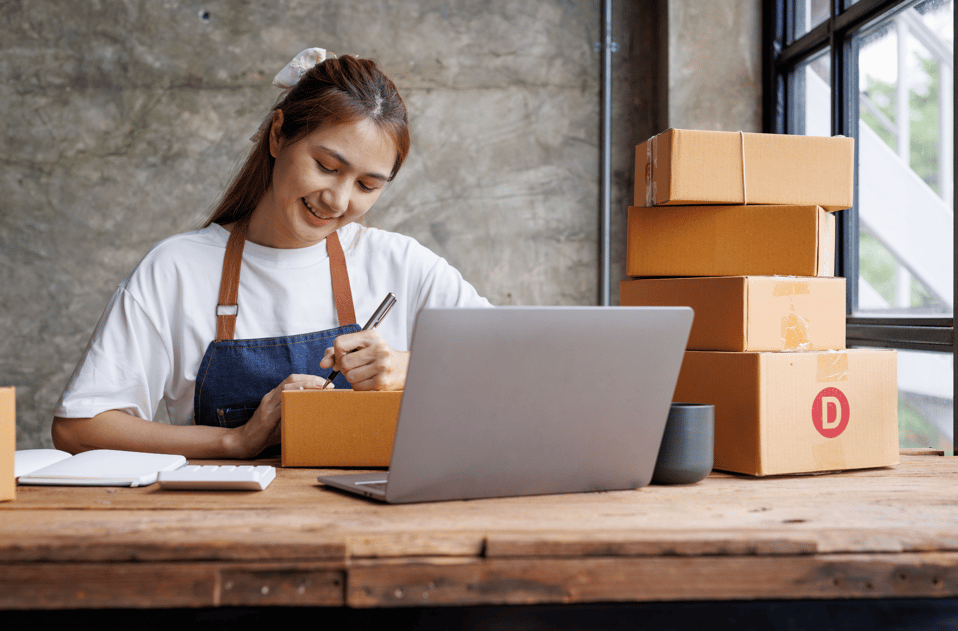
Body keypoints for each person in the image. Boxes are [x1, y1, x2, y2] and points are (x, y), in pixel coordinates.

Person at [52, 48, 491, 459]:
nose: (338, 200)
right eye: (327, 167)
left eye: (366, 186)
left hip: (367, 524)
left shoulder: (402, 264)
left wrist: (408, 369)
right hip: (228, 529)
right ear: (278, 135)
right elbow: (79, 428)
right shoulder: (177, 270)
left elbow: (514, 367)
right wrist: (234, 440)